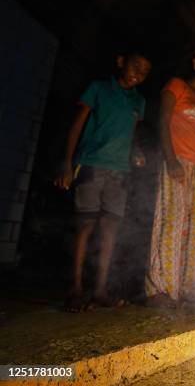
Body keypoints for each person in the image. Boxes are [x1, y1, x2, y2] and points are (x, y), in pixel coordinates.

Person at [55, 52, 151, 312]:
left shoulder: (138, 102)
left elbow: (131, 135)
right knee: (84, 226)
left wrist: (137, 151)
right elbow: (76, 126)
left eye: (144, 73)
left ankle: (99, 290)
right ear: (121, 61)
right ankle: (75, 289)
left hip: (119, 173)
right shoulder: (98, 88)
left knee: (110, 231)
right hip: (91, 164)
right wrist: (67, 162)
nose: (138, 74)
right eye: (136, 66)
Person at [145, 51, 195, 308]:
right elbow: (163, 120)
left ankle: (191, 287)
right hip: (176, 160)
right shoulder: (176, 86)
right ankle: (160, 289)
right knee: (171, 222)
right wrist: (170, 160)